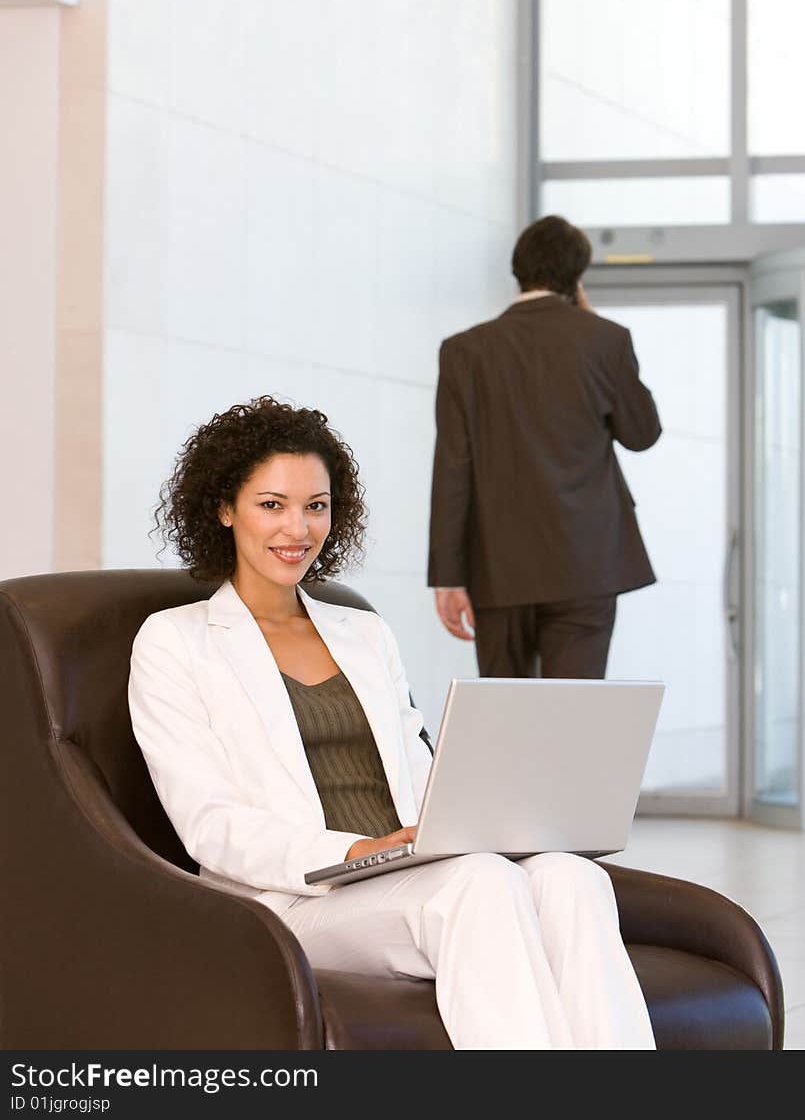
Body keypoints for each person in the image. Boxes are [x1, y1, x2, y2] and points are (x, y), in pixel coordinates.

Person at [129, 395, 655, 1050]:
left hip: (409, 868)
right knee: (483, 884)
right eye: (273, 505)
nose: (298, 528)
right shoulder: (176, 641)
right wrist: (355, 852)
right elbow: (208, 823)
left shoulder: (364, 633)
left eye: (315, 506)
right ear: (224, 508)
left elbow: (421, 770)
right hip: (297, 899)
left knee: (572, 877)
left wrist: (475, 821)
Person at [428, 214, 661, 679]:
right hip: (586, 566)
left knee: (507, 719)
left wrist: (447, 577)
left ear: (518, 272)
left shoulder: (464, 352)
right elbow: (642, 433)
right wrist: (590, 323)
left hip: (497, 570)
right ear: (578, 277)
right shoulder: (604, 340)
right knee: (573, 721)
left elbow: (453, 467)